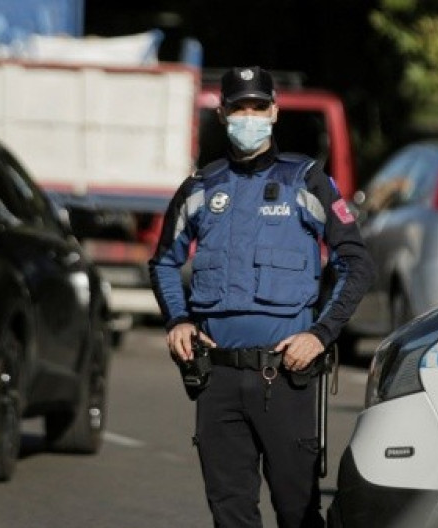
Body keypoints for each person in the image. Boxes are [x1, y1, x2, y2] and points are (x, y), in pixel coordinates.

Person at [149, 66, 375, 528]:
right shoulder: (199, 188)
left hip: (286, 377)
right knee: (229, 512)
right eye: (238, 108)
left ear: (274, 112)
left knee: (297, 511)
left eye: (257, 106)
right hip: (217, 378)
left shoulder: (307, 181)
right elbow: (164, 263)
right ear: (222, 112)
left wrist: (320, 335)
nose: (247, 117)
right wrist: (178, 321)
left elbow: (356, 262)